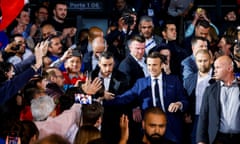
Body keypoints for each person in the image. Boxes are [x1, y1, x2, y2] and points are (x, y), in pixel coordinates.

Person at [104, 52, 188, 143]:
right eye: (149, 65)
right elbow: (125, 98)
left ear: (162, 65)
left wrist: (179, 104)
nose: (151, 68)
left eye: (154, 65)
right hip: (149, 129)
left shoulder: (174, 80)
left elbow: (185, 100)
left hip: (171, 127)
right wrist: (102, 100)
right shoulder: (141, 83)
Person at [196, 55, 240, 144]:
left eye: (218, 67)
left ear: (229, 68)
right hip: (218, 139)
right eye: (214, 67)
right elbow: (203, 117)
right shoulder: (210, 90)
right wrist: (201, 141)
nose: (214, 70)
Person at [91, 51, 129, 144]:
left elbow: (124, 100)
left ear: (114, 63)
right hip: (94, 119)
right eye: (104, 65)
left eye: (110, 65)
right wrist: (101, 95)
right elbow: (87, 96)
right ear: (99, 63)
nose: (108, 68)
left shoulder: (122, 78)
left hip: (113, 120)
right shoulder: (91, 76)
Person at [183, 49, 213, 144]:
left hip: (213, 118)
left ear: (211, 60)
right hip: (195, 119)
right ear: (196, 62)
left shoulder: (218, 78)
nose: (202, 64)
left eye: (205, 60)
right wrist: (186, 113)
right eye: (200, 61)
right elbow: (186, 97)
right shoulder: (189, 80)